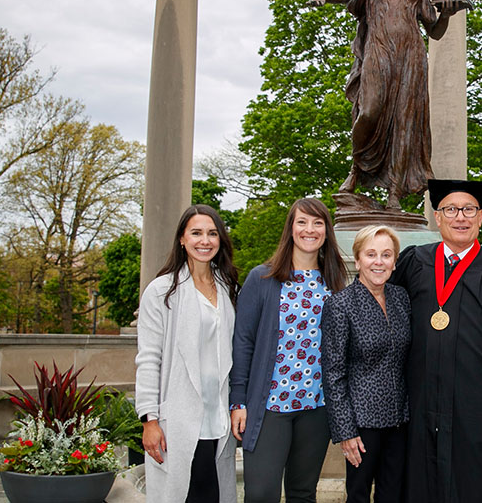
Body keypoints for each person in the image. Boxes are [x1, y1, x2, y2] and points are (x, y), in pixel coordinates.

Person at [389, 178, 482, 503]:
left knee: (471, 487)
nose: (461, 217)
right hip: (419, 402)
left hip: (476, 406)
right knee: (417, 486)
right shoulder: (415, 262)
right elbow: (382, 310)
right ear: (437, 216)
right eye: (451, 209)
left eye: (469, 209)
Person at [310, 0, 448, 208]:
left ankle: (394, 193)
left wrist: (446, 13)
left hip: (410, 58)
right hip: (378, 52)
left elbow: (433, 29)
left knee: (404, 122)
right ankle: (356, 170)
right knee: (369, 112)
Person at [230, 198, 348, 503]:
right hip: (270, 406)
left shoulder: (334, 283)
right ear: (291, 229)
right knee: (261, 493)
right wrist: (238, 401)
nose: (310, 230)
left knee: (302, 493)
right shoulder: (263, 279)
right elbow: (243, 342)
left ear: (326, 231)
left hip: (317, 407)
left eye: (318, 223)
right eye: (302, 222)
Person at [135, 204, 240, 503]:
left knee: (214, 494)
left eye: (211, 233)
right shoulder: (161, 291)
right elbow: (148, 359)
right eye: (196, 233)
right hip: (179, 419)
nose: (204, 241)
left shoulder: (228, 287)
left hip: (218, 416)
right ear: (182, 238)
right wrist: (149, 420)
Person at [321, 225, 411, 503]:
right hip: (362, 425)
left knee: (393, 494)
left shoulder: (402, 299)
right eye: (371, 254)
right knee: (358, 495)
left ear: (394, 262)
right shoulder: (340, 305)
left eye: (386, 254)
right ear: (358, 259)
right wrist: (345, 432)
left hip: (400, 420)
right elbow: (333, 374)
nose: (379, 261)